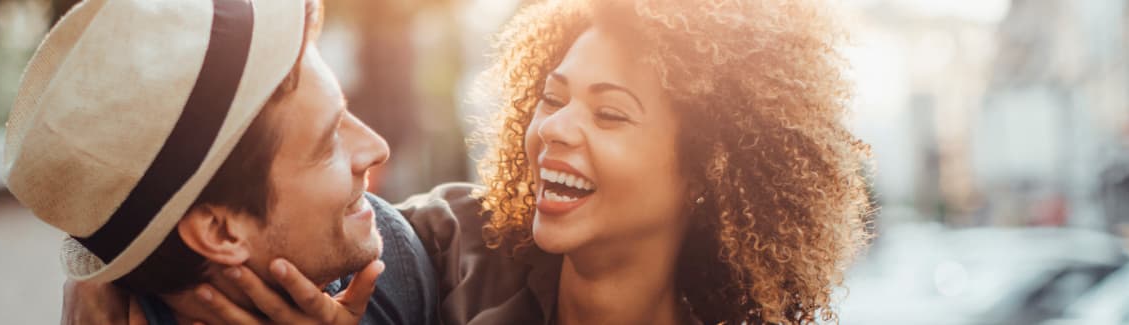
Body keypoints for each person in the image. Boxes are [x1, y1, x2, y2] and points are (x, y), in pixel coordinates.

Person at [72, 0, 875, 323]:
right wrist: (111, 284)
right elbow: (209, 225)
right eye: (553, 96)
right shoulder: (439, 251)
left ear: (710, 171)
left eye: (610, 112)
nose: (555, 128)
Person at [3, 0, 436, 324]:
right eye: (327, 145)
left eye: (345, 114)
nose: (377, 148)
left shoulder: (390, 260)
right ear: (219, 229)